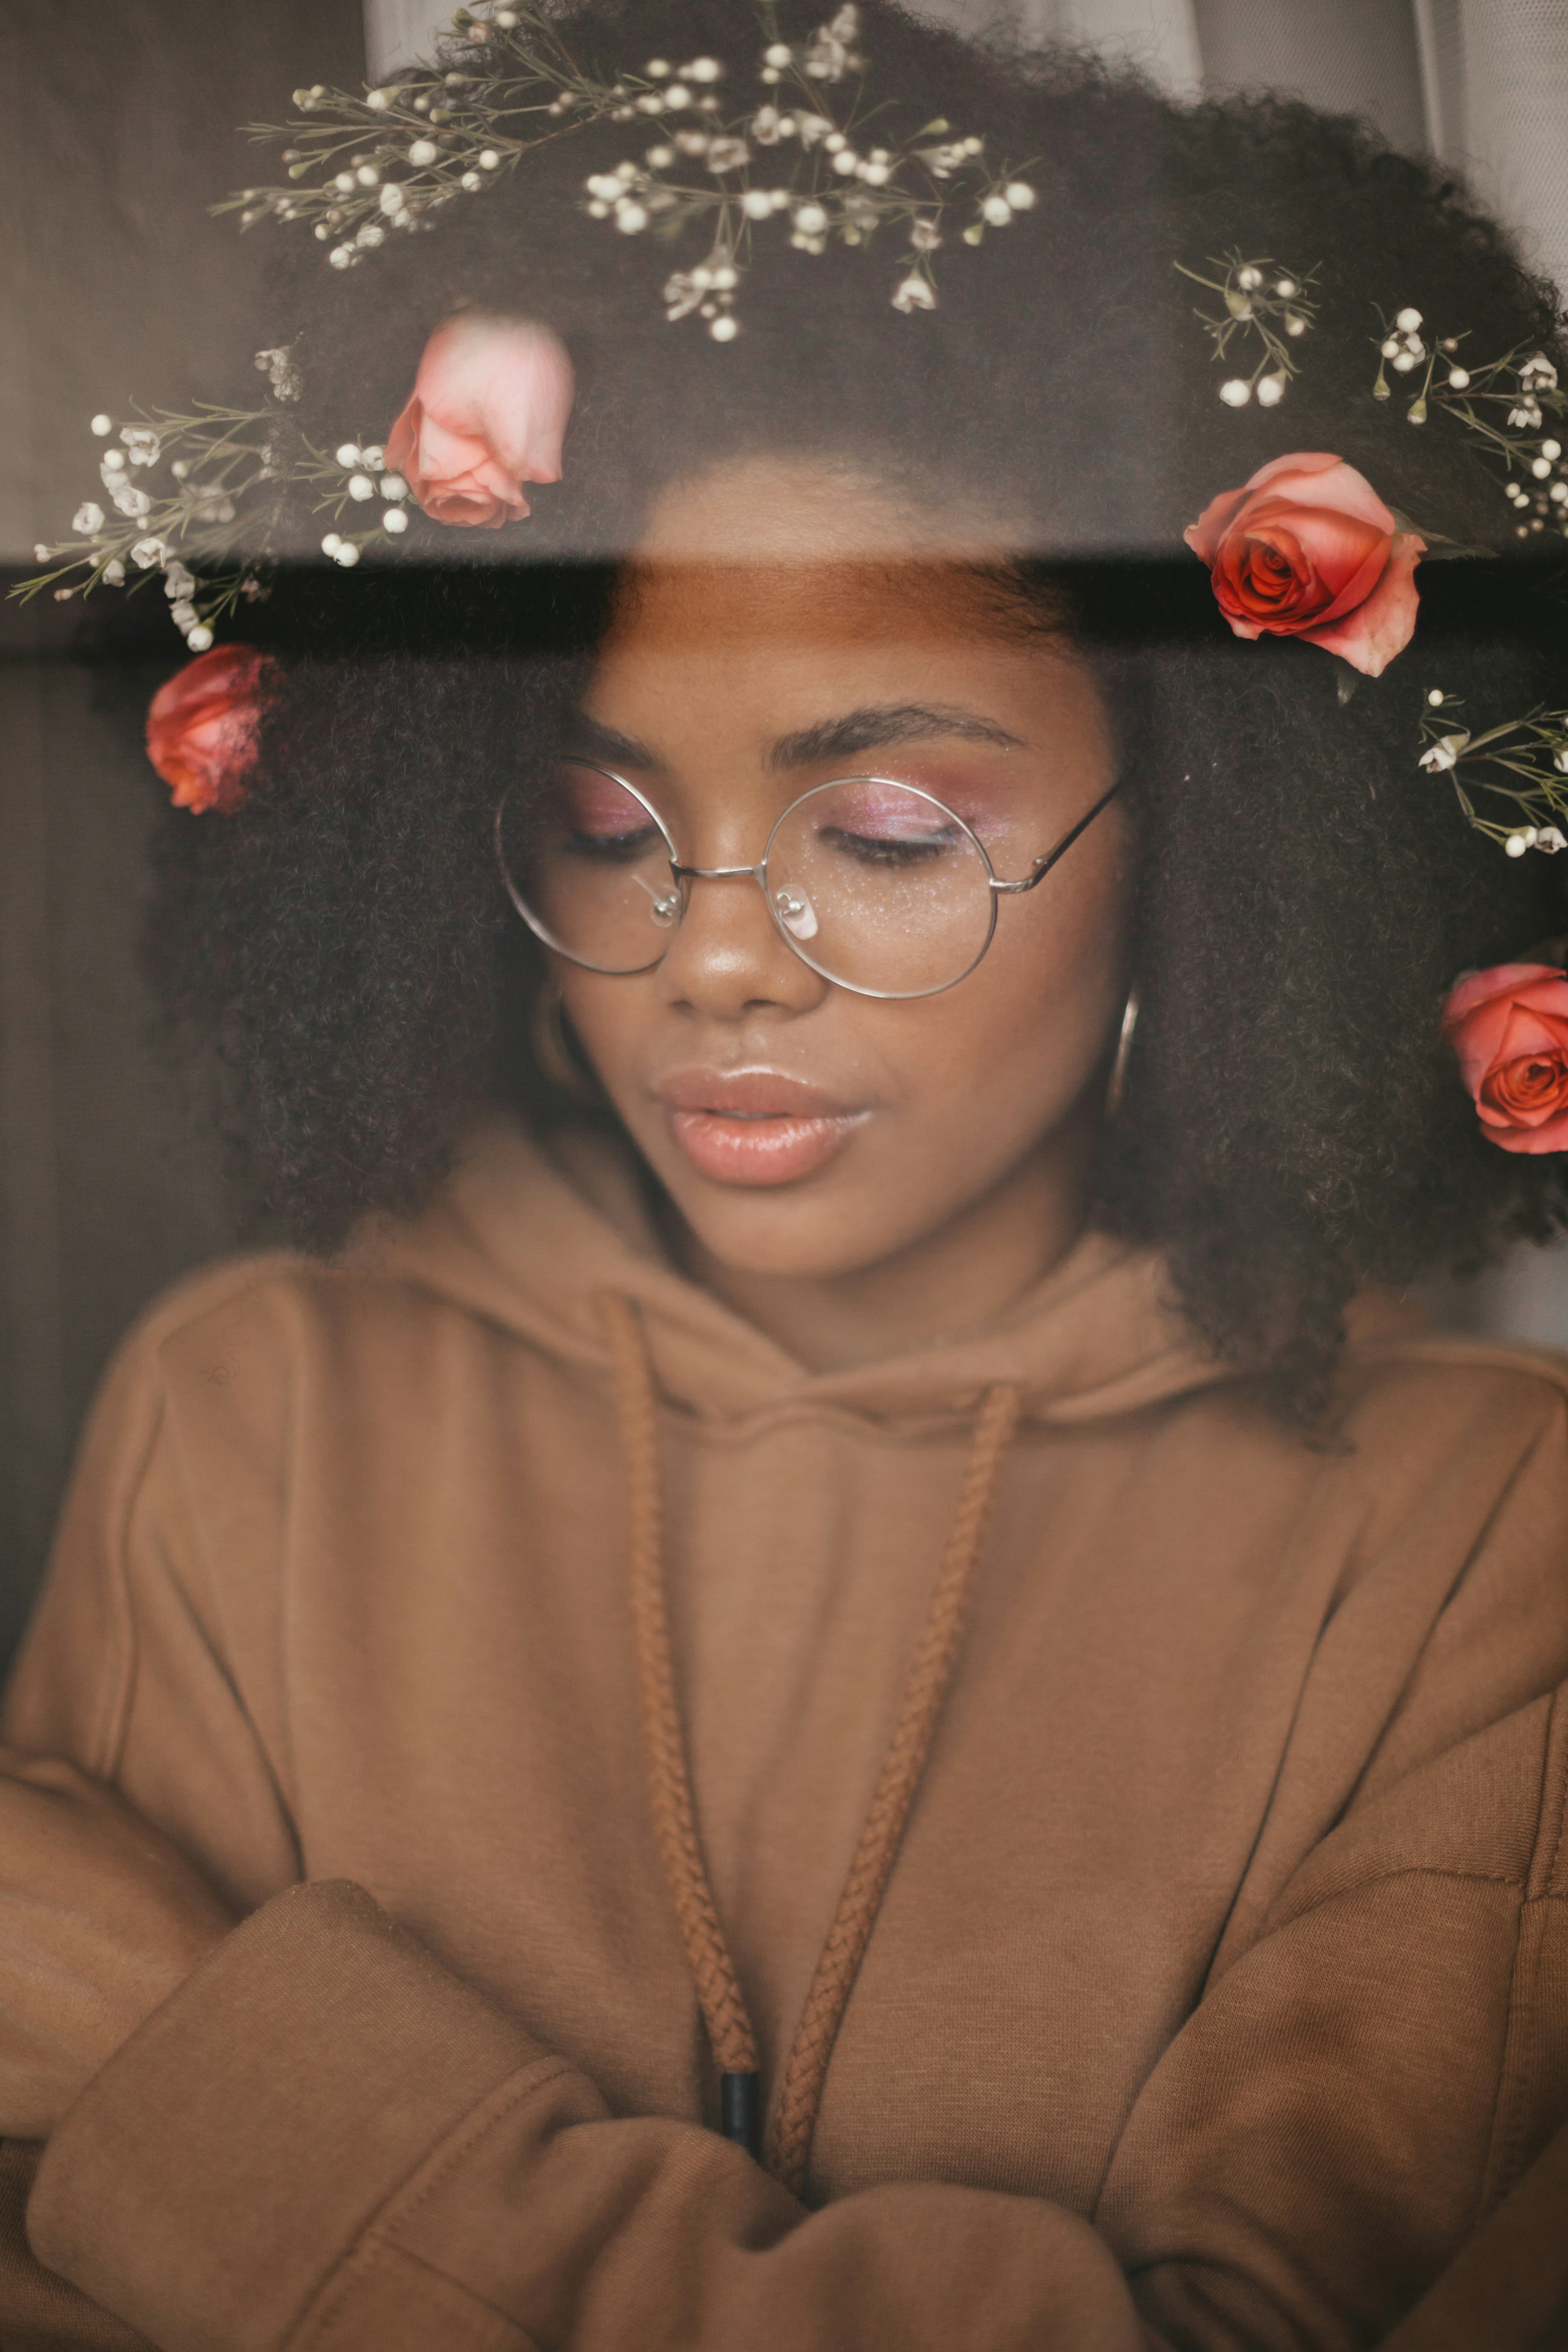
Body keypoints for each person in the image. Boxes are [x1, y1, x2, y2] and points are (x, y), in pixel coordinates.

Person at [2, 2, 1567, 2343]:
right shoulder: (259, 1417)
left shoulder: (1486, 1538)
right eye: (608, 825)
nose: (711, 958)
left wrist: (195, 2062)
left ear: (1226, 858)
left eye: (892, 829)